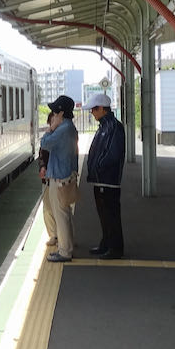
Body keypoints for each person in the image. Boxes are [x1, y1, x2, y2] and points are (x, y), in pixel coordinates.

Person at [38, 95, 79, 263]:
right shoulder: (70, 128)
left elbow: (45, 143)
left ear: (61, 112)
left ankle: (64, 251)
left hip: (60, 177)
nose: (53, 114)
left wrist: (51, 128)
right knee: (65, 213)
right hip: (66, 175)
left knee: (61, 215)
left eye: (55, 111)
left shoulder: (62, 129)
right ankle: (67, 245)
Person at [84, 93, 125, 259]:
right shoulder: (104, 126)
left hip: (109, 180)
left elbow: (113, 154)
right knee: (104, 214)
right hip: (100, 179)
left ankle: (115, 248)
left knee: (111, 214)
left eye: (94, 109)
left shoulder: (114, 127)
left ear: (102, 108)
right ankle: (106, 243)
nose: (92, 113)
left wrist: (98, 167)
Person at [37, 146, 57, 249]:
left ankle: (65, 236)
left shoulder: (64, 135)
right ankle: (53, 235)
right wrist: (42, 167)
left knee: (61, 209)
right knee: (48, 209)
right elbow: (41, 156)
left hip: (59, 179)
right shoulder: (47, 138)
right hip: (47, 180)